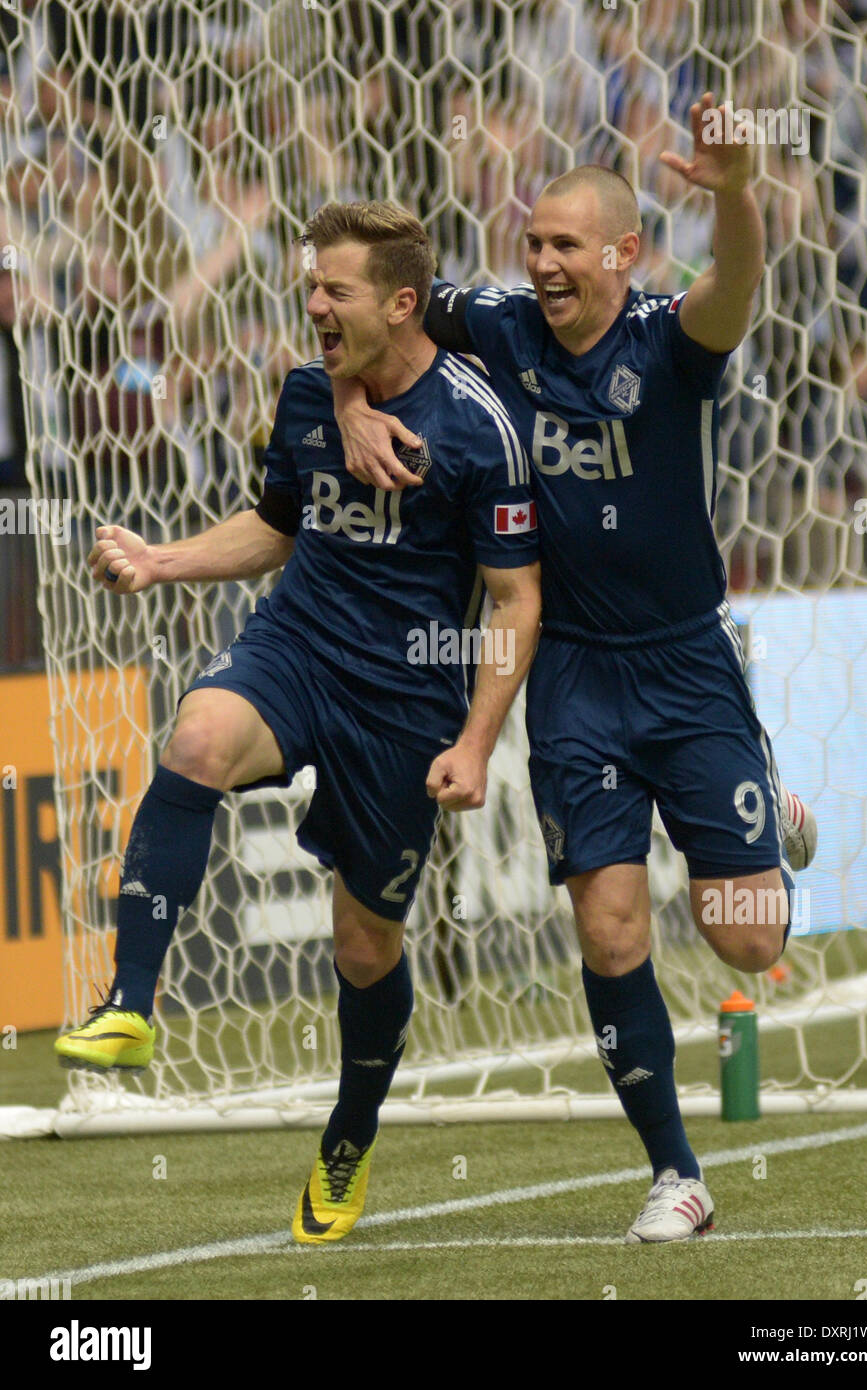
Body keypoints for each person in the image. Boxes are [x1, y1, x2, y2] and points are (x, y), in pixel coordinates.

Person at [332, 95, 818, 1243]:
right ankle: (674, 1174)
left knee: (746, 936)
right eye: (532, 243)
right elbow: (370, 317)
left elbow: (733, 290)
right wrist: (350, 398)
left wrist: (736, 192)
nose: (541, 264)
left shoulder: (668, 340)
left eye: (564, 246)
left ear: (621, 252)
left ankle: (776, 819)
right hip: (573, 677)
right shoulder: (494, 322)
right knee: (607, 932)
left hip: (688, 662)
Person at [53, 200, 542, 1245]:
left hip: (407, 700)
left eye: (335, 290)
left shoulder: (479, 424)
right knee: (193, 737)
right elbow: (279, 524)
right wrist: (162, 558)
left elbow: (512, 600)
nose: (312, 303)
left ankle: (350, 1132)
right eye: (310, 285)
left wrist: (474, 741)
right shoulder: (309, 389)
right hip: (296, 648)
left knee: (364, 948)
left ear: (402, 303)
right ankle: (129, 1003)